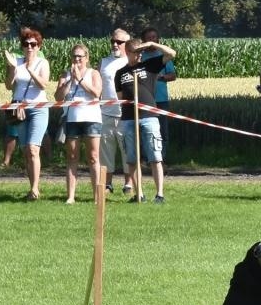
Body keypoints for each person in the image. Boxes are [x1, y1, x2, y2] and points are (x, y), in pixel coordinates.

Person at [114, 34, 176, 203]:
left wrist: (151, 44)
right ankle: (139, 193)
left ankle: (160, 194)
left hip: (149, 117)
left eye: (141, 52)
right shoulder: (120, 73)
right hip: (128, 119)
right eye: (136, 52)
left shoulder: (150, 66)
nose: (139, 55)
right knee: (132, 159)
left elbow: (172, 54)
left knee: (155, 156)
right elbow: (120, 98)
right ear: (127, 52)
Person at [4, 27, 50, 201]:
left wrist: (30, 70)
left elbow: (43, 85)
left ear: (38, 46)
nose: (29, 47)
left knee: (33, 148)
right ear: (22, 46)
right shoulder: (17, 62)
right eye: (26, 44)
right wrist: (12, 69)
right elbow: (9, 85)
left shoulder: (42, 63)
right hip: (19, 109)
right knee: (25, 150)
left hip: (38, 109)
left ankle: (35, 189)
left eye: (33, 44)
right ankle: (31, 187)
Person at [57, 43, 103, 205]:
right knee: (72, 157)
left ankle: (97, 195)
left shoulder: (94, 73)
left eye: (80, 56)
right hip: (72, 118)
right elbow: (58, 96)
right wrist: (70, 80)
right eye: (74, 56)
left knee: (93, 157)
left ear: (86, 58)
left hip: (92, 118)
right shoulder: (66, 74)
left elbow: (97, 93)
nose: (77, 59)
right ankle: (70, 196)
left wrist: (80, 79)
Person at [98, 29, 131, 194]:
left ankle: (128, 184)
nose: (115, 44)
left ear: (127, 43)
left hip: (125, 114)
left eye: (119, 42)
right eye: (113, 41)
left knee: (127, 150)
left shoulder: (130, 62)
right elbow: (97, 88)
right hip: (106, 113)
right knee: (105, 152)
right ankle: (107, 184)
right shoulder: (103, 62)